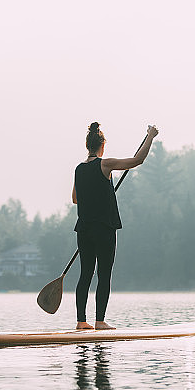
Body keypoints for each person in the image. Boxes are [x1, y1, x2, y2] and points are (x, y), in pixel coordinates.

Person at [72, 122, 159, 330]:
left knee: (85, 274)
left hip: (83, 229)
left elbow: (75, 199)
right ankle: (100, 321)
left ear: (87, 146)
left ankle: (81, 322)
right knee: (104, 274)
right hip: (103, 228)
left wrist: (94, 194)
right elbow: (137, 160)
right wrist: (150, 137)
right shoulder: (105, 164)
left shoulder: (79, 168)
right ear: (102, 146)